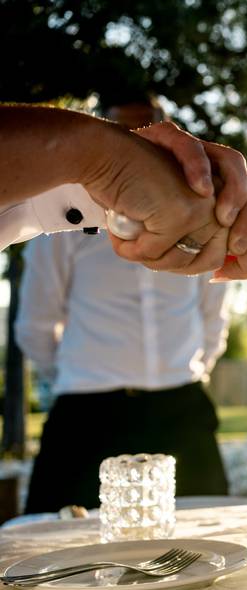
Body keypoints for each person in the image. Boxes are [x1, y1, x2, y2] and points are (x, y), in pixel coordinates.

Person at [16, 95, 233, 512]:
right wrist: (75, 375)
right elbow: (36, 323)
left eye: (146, 134)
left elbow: (214, 310)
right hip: (86, 413)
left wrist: (190, 368)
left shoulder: (200, 216)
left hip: (180, 407)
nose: (137, 147)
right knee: (56, 539)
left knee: (211, 532)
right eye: (123, 137)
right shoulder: (63, 217)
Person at [0, 104, 247, 278]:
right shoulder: (54, 240)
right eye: (115, 129)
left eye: (134, 137)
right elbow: (38, 315)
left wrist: (98, 168)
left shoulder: (198, 223)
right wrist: (99, 156)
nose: (134, 142)